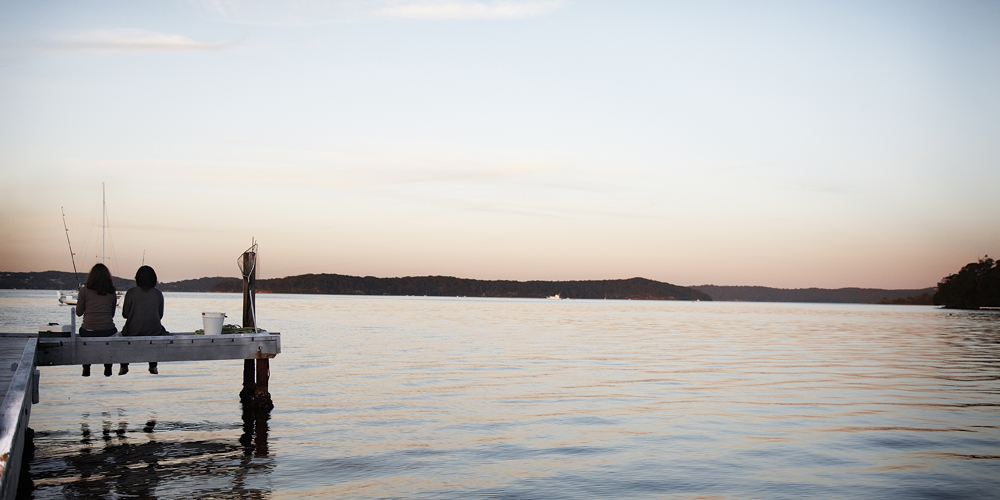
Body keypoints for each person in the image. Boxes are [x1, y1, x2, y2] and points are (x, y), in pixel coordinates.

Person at [121, 265, 167, 375]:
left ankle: (124, 365)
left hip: (133, 330)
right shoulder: (158, 293)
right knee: (156, 332)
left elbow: (125, 315)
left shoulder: (131, 292)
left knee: (124, 335)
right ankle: (153, 365)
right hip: (154, 330)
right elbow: (159, 316)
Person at [76, 263, 118, 377]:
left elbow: (78, 313)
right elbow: (112, 314)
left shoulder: (84, 291)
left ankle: (86, 366)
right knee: (112, 334)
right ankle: (108, 367)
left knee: (84, 334)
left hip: (87, 330)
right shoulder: (112, 292)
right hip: (108, 330)